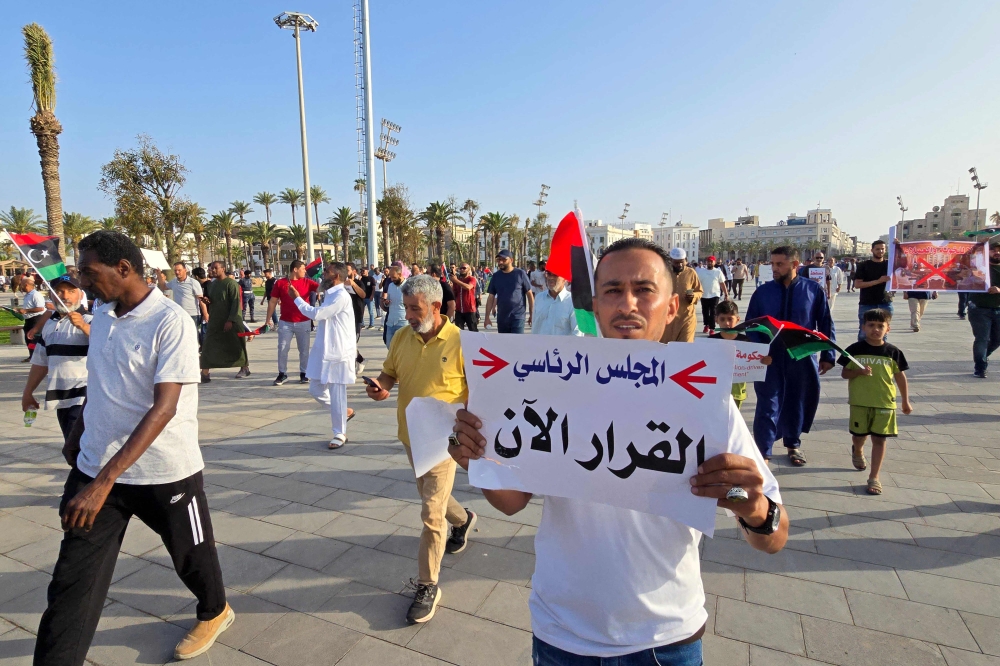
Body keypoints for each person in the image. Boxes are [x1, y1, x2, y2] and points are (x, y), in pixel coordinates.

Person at [449, 238, 788, 665]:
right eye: (612, 290)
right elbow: (513, 502)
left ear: (672, 307)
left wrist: (753, 507)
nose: (627, 304)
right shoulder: (550, 388)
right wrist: (478, 458)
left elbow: (773, 537)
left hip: (666, 639)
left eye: (644, 290)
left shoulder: (704, 403)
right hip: (562, 634)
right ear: (594, 306)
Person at [34, 231, 232, 665]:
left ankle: (215, 610)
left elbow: (165, 407)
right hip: (96, 469)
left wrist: (103, 482)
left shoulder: (170, 321)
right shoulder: (103, 315)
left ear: (123, 269)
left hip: (165, 472)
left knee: (193, 557)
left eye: (89, 272)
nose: (82, 281)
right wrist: (78, 432)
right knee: (70, 586)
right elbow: (102, 380)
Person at [365, 275, 478, 624]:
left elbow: (480, 394)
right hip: (411, 436)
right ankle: (464, 519)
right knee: (432, 496)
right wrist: (381, 387)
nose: (409, 315)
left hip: (447, 442)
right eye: (406, 308)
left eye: (415, 309)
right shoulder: (402, 337)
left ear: (435, 306)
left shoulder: (462, 343)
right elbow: (389, 374)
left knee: (431, 512)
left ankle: (428, 585)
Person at [746, 246, 835, 465]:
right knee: (767, 403)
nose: (774, 268)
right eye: (772, 264)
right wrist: (759, 351)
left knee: (797, 399)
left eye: (780, 264)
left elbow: (825, 322)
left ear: (795, 264)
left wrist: (828, 355)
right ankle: (763, 452)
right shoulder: (762, 292)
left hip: (801, 355)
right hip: (770, 359)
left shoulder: (813, 290)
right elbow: (751, 325)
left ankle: (793, 444)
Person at [838, 308, 912, 495]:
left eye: (880, 326)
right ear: (863, 327)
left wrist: (905, 401)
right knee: (859, 435)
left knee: (879, 439)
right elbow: (845, 373)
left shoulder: (893, 352)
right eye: (871, 325)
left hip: (885, 402)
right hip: (859, 402)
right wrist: (858, 372)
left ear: (888, 329)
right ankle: (858, 450)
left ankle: (874, 477)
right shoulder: (854, 350)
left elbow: (900, 376)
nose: (876, 329)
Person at [290, 263, 358, 449]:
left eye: (327, 271)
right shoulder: (330, 294)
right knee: (316, 389)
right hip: (324, 350)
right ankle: (344, 412)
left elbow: (318, 314)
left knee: (337, 394)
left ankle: (340, 433)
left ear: (335, 276)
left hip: (338, 352)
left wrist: (297, 299)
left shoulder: (341, 296)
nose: (323, 274)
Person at [22, 275, 91, 440]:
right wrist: (28, 392)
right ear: (51, 295)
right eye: (59, 291)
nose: (65, 296)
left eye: (71, 291)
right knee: (72, 447)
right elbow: (41, 362)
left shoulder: (91, 320)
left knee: (77, 448)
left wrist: (83, 327)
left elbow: (108, 346)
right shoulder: (50, 324)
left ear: (81, 294)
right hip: (61, 399)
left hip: (84, 398)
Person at [266, 259, 319, 385]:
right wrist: (268, 319)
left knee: (304, 350)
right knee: (282, 348)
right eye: (303, 269)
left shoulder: (307, 282)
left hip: (304, 321)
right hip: (285, 322)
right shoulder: (281, 283)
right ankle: (282, 374)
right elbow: (273, 301)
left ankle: (304, 373)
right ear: (295, 269)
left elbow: (322, 288)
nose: (305, 271)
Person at [710, 300, 770, 409]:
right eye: (722, 319)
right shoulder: (710, 342)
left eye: (730, 319)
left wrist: (764, 361)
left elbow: (756, 361)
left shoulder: (746, 342)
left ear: (737, 319)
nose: (726, 323)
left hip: (737, 392)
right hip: (714, 391)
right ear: (716, 319)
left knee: (733, 419)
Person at [200, 261, 250, 382]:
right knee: (208, 345)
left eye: (215, 268)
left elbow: (235, 303)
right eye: (211, 268)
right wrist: (207, 301)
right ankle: (205, 372)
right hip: (215, 320)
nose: (212, 270)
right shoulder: (212, 284)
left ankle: (244, 367)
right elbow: (213, 300)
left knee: (236, 344)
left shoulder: (231, 284)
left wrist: (230, 320)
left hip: (231, 320)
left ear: (223, 269)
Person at [968, 242, 1000, 378]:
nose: (997, 252)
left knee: (997, 339)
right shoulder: (978, 267)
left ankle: (983, 355)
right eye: (993, 250)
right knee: (982, 338)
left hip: (998, 309)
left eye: (999, 250)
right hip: (979, 309)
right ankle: (980, 367)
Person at [484, 249, 534, 333]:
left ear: (511, 260)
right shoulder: (496, 276)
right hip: (502, 318)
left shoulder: (520, 274)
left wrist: (532, 315)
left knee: (516, 341)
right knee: (503, 341)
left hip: (518, 317)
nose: (500, 262)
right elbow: (491, 297)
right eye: (499, 260)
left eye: (504, 260)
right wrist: (487, 317)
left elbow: (529, 294)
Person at [659, 248, 703, 343]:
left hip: (686, 317)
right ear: (670, 261)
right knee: (666, 346)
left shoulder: (691, 273)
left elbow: (699, 291)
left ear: (685, 260)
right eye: (676, 262)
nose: (679, 265)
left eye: (682, 262)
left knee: (685, 346)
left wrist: (693, 296)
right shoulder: (663, 273)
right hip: (667, 318)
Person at [853, 240, 893, 341]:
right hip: (867, 303)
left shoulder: (890, 265)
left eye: (882, 249)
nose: (880, 251)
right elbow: (857, 284)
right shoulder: (864, 265)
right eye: (877, 249)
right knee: (864, 333)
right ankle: (862, 350)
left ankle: (880, 351)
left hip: (885, 302)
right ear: (872, 250)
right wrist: (878, 281)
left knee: (883, 333)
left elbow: (905, 262)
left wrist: (898, 246)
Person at [157, 262, 208, 331]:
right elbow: (163, 287)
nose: (177, 272)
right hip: (179, 314)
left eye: (179, 270)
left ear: (185, 270)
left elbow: (201, 300)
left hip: (192, 315)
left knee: (192, 335)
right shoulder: (174, 281)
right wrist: (158, 274)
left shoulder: (193, 282)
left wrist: (205, 314)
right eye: (175, 270)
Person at [532, 269, 582, 336]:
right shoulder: (539, 298)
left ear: (564, 278)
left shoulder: (573, 301)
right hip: (539, 342)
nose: (551, 278)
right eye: (549, 274)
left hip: (564, 343)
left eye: (555, 275)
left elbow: (577, 333)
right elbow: (535, 327)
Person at [15, 275, 47, 361]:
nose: (20, 287)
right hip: (28, 320)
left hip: (36, 319)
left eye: (21, 285)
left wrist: (26, 310)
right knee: (28, 338)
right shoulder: (27, 295)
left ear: (26, 285)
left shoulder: (35, 295)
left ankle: (36, 357)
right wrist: (20, 310)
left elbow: (41, 308)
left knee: (34, 338)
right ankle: (31, 356)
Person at [694, 256, 728, 334]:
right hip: (704, 295)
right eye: (708, 261)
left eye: (711, 261)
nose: (709, 263)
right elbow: (697, 283)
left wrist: (726, 294)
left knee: (713, 312)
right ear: (706, 262)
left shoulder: (718, 272)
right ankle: (706, 325)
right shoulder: (701, 272)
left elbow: (722, 283)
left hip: (715, 295)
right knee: (705, 311)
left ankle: (712, 328)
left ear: (714, 262)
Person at [345, 263, 368, 375]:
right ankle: (360, 360)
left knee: (352, 344)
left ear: (354, 271)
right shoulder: (341, 283)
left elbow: (363, 295)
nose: (345, 272)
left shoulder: (359, 282)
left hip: (356, 316)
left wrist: (353, 284)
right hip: (344, 318)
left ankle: (353, 367)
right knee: (346, 344)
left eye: (348, 270)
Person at [382, 265, 407, 349]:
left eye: (394, 277)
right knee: (389, 345)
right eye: (391, 277)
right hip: (390, 322)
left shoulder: (408, 286)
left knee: (403, 348)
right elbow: (388, 301)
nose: (392, 279)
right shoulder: (390, 286)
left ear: (400, 274)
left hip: (403, 322)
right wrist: (386, 303)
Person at [451, 262, 479, 331]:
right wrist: (451, 285)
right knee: (458, 332)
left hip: (470, 310)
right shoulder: (457, 281)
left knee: (473, 331)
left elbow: (468, 287)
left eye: (464, 268)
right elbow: (454, 293)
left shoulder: (472, 279)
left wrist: (456, 281)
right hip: (459, 310)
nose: (462, 270)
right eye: (461, 268)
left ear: (469, 270)